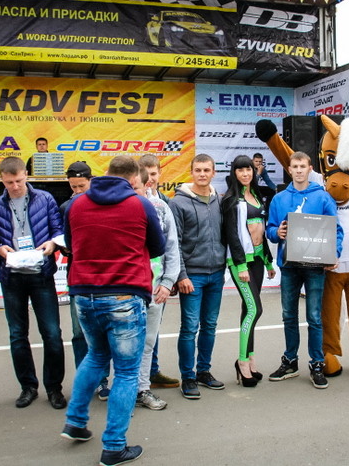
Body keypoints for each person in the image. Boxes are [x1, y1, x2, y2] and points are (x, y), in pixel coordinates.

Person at [60, 155, 165, 466]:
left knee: (95, 356)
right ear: (133, 179)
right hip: (124, 294)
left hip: (85, 294)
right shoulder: (140, 204)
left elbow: (70, 244)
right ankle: (114, 446)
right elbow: (157, 247)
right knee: (127, 372)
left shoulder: (77, 204)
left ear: (106, 173)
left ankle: (75, 422)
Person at [0, 156, 66, 409]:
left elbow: (58, 230)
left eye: (19, 181)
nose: (15, 186)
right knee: (17, 334)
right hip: (11, 277)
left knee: (52, 333)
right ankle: (28, 387)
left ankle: (54, 388)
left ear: (26, 176)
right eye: (9, 182)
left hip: (41, 274)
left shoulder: (45, 199)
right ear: (2, 179)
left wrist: (52, 244)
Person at [266, 151, 343, 389]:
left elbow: (336, 230)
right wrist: (276, 232)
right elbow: (270, 229)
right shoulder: (279, 199)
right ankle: (290, 361)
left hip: (315, 266)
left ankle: (317, 363)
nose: (298, 170)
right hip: (289, 266)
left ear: (310, 169)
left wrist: (335, 252)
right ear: (289, 170)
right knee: (288, 315)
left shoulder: (323, 197)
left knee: (314, 317)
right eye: (295, 166)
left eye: (302, 166)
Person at [170, 153, 227, 400]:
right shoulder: (178, 203)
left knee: (210, 326)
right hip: (191, 276)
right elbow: (174, 243)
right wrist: (181, 275)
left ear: (214, 172)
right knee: (189, 327)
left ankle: (204, 371)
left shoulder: (220, 201)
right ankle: (188, 376)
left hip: (216, 274)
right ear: (191, 172)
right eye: (198, 170)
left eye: (206, 170)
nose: (202, 174)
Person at [222, 155, 276, 387]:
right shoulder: (230, 200)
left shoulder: (255, 194)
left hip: (258, 260)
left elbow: (260, 230)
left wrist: (269, 262)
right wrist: (241, 265)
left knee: (248, 310)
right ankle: (242, 362)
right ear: (234, 173)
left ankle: (250, 358)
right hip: (241, 263)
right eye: (241, 170)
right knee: (255, 309)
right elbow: (232, 235)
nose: (245, 174)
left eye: (249, 170)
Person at [59, 161, 112, 400]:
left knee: (102, 332)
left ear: (91, 181)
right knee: (79, 332)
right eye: (73, 187)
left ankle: (102, 381)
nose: (78, 191)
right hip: (78, 279)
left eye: (82, 186)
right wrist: (64, 246)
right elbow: (62, 239)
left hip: (104, 277)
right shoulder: (66, 207)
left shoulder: (103, 204)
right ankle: (85, 380)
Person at [132, 163, 179, 410]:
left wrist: (167, 282)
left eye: (137, 187)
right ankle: (124, 391)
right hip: (126, 291)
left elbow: (172, 246)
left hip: (154, 288)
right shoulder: (119, 207)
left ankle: (142, 389)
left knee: (148, 342)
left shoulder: (161, 207)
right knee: (124, 345)